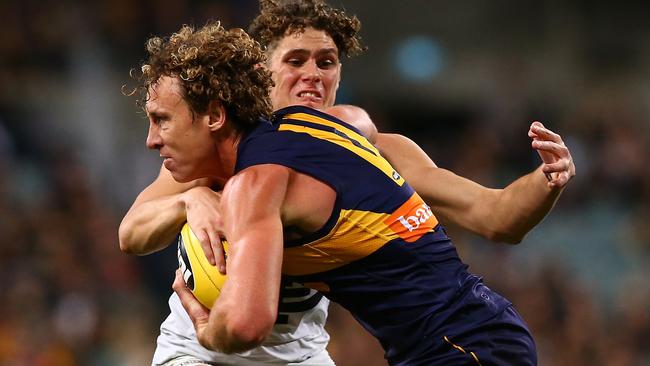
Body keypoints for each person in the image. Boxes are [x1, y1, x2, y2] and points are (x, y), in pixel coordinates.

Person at [119, 1, 574, 365]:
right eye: (296, 60)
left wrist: (545, 179)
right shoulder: (200, 155)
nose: (314, 75)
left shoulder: (344, 146)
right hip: (201, 354)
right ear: (259, 71)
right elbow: (131, 232)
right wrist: (190, 201)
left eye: (328, 62)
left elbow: (496, 217)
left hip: (338, 348)